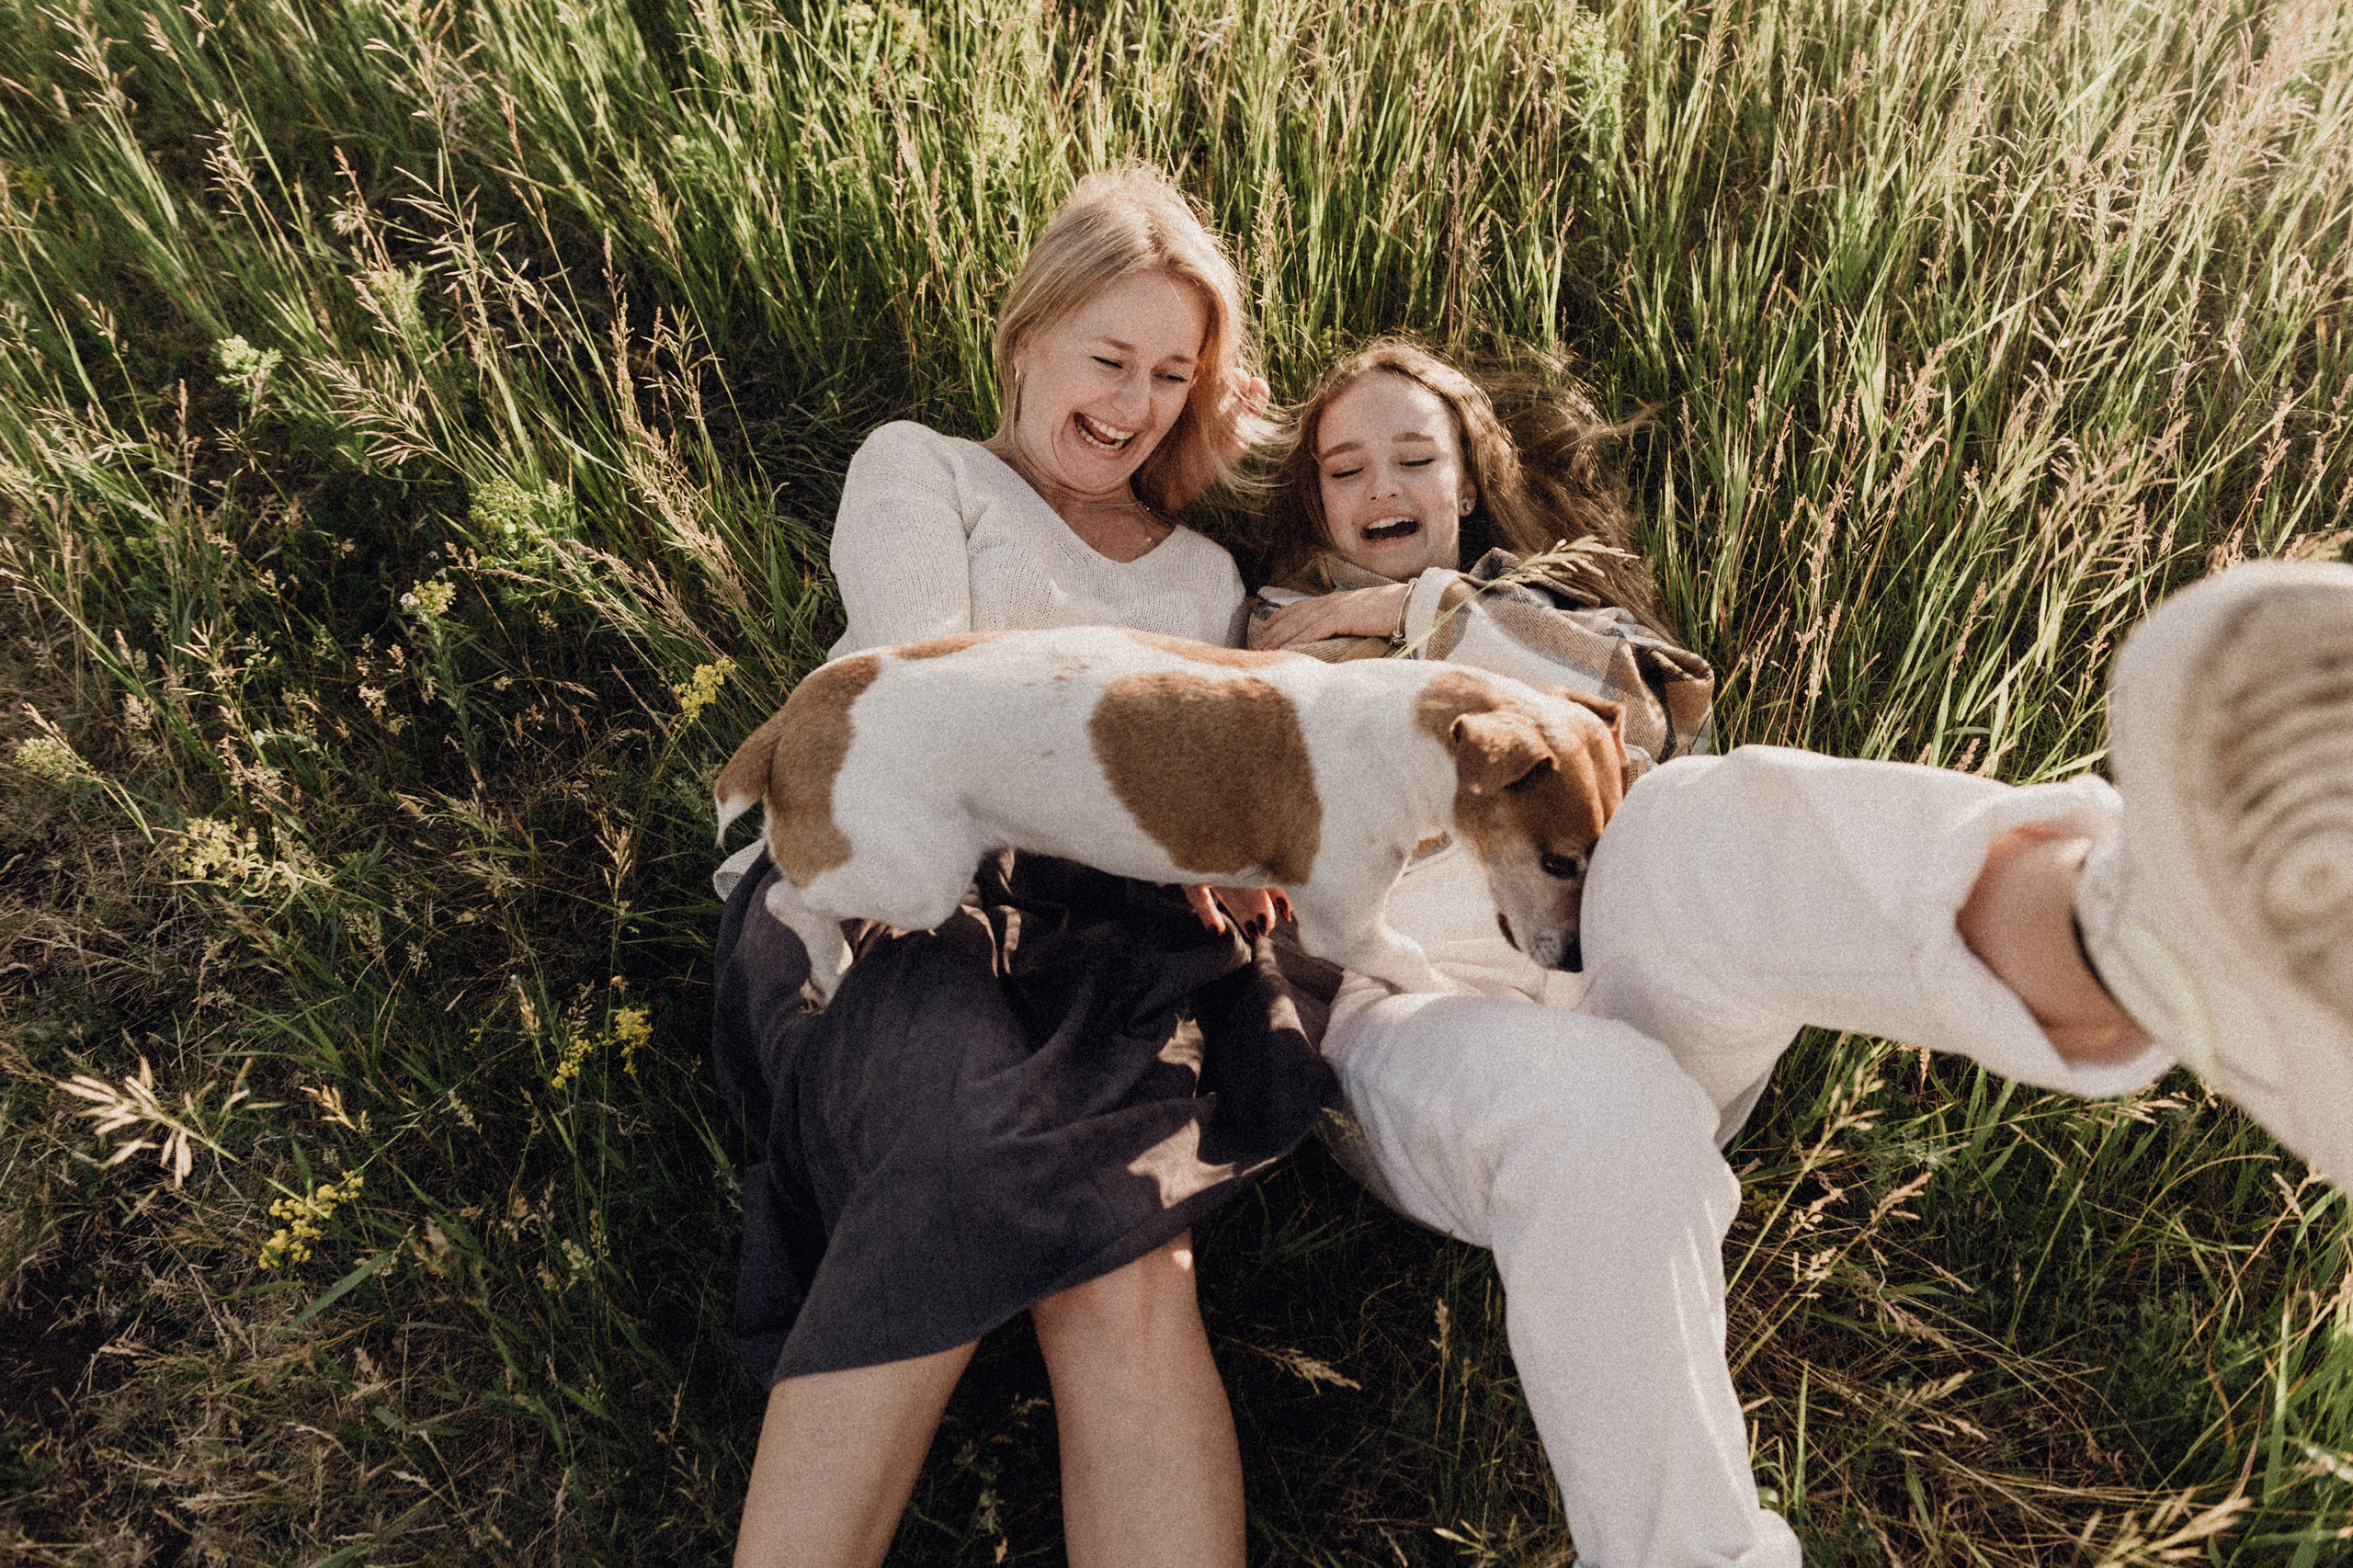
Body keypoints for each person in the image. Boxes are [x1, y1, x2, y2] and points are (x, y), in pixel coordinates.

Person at [1247, 340, 2353, 1568]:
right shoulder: (1266, 630)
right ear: (1311, 498)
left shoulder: (1539, 612)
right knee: (1606, 1112)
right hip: (1409, 1010)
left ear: (1471, 481)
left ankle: (2141, 940)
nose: (1382, 483)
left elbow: (1644, 712)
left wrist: (1422, 614)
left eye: (1415, 454)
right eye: (1345, 465)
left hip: (1615, 937)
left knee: (1696, 811)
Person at [710, 168, 1328, 1568]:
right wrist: (1163, 772)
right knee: (963, 1132)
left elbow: (1215, 803)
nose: (1134, 404)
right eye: (1109, 359)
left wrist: (1223, 850)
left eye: (1173, 375)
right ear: (1026, 337)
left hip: (1113, 941)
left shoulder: (1207, 580)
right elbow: (924, 699)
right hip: (899, 891)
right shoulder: (924, 467)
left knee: (1128, 1253)